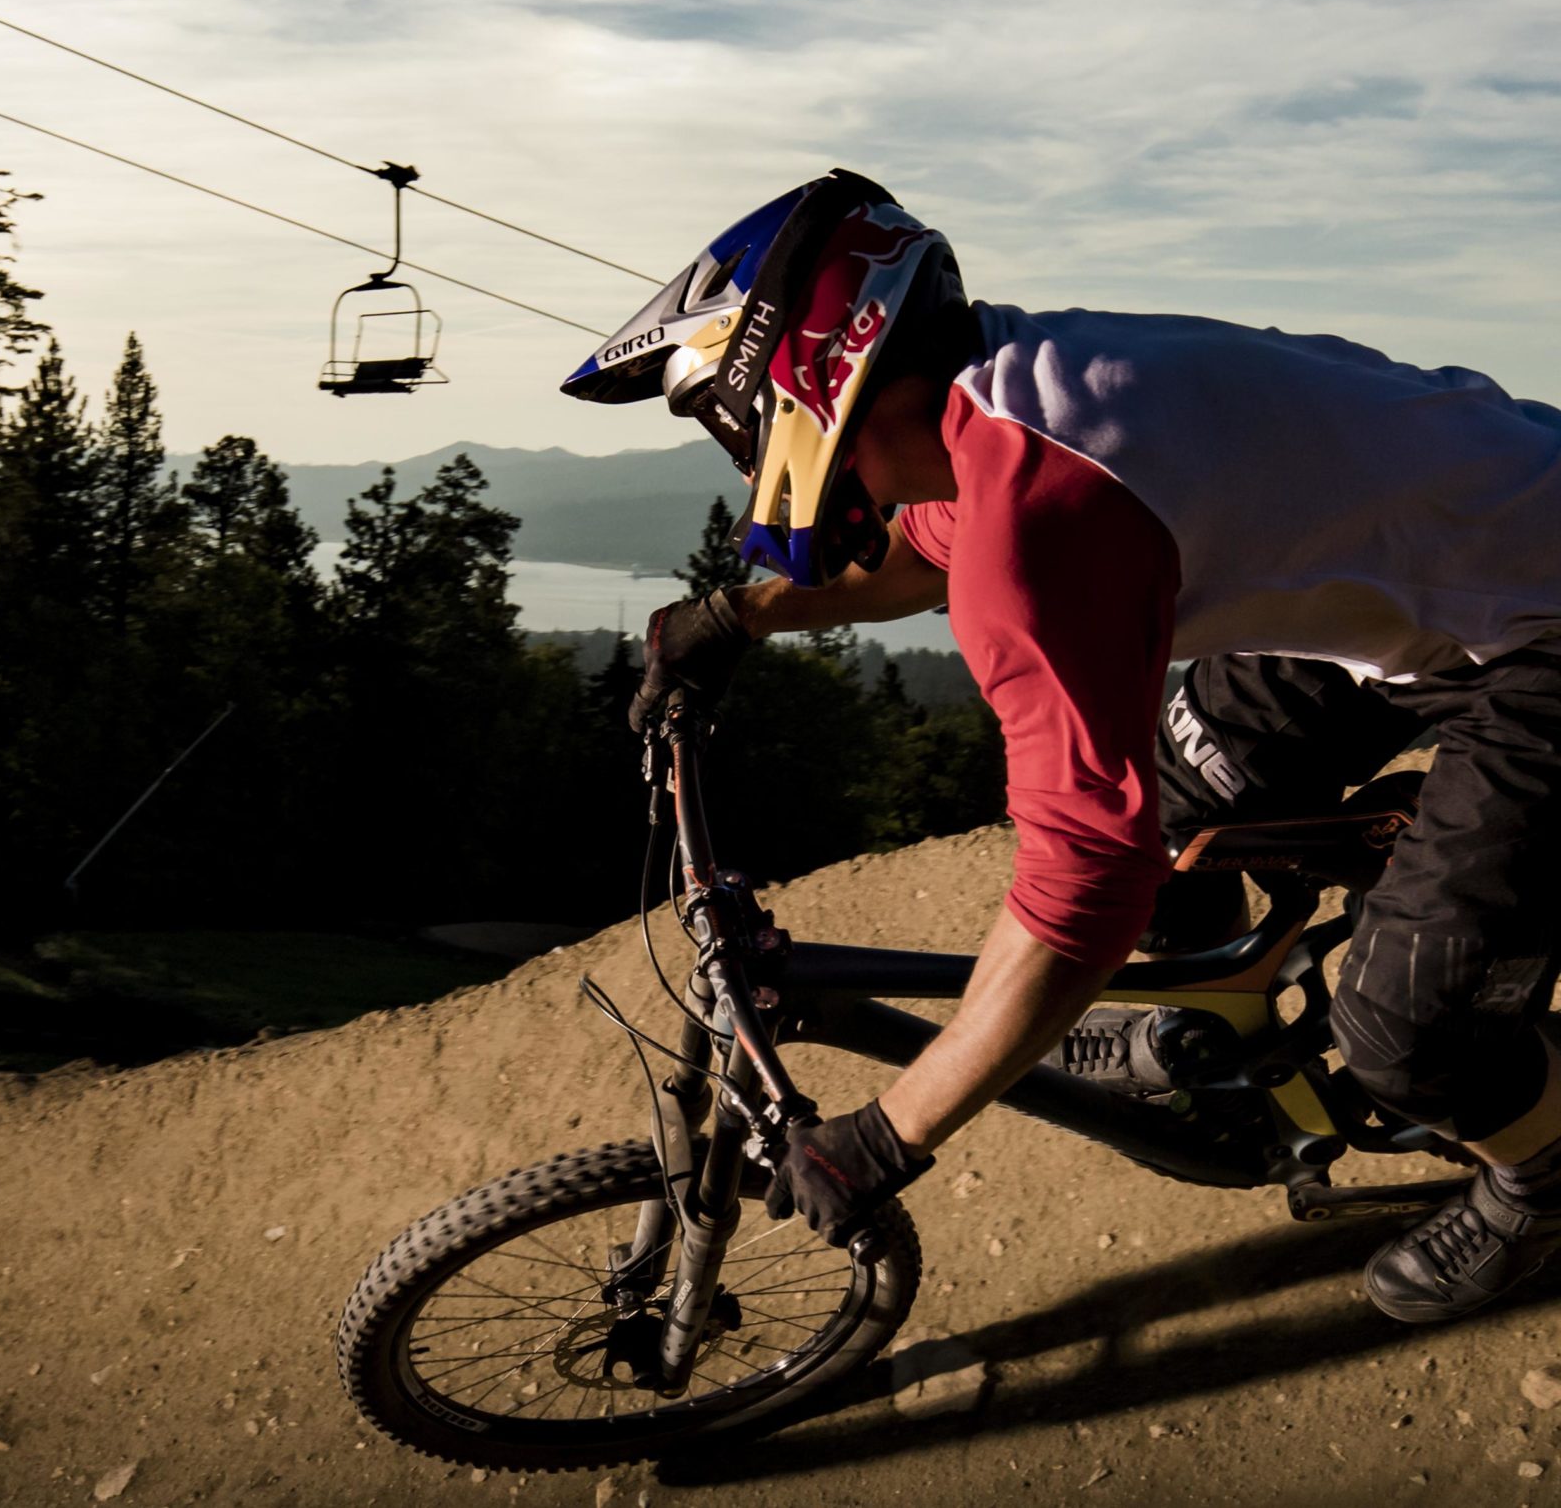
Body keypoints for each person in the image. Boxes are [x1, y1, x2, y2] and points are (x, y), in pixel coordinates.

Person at [565, 170, 1561, 1324]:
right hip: (1444, 581)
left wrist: (896, 1129)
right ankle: (1225, 1042)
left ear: (809, 395)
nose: (740, 461)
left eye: (729, 428)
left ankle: (1540, 1171)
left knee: (1402, 1030)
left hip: (1540, 631)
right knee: (1190, 799)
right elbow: (927, 548)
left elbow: (1086, 875)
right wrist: (741, 615)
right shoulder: (986, 396)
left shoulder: (1043, 513)